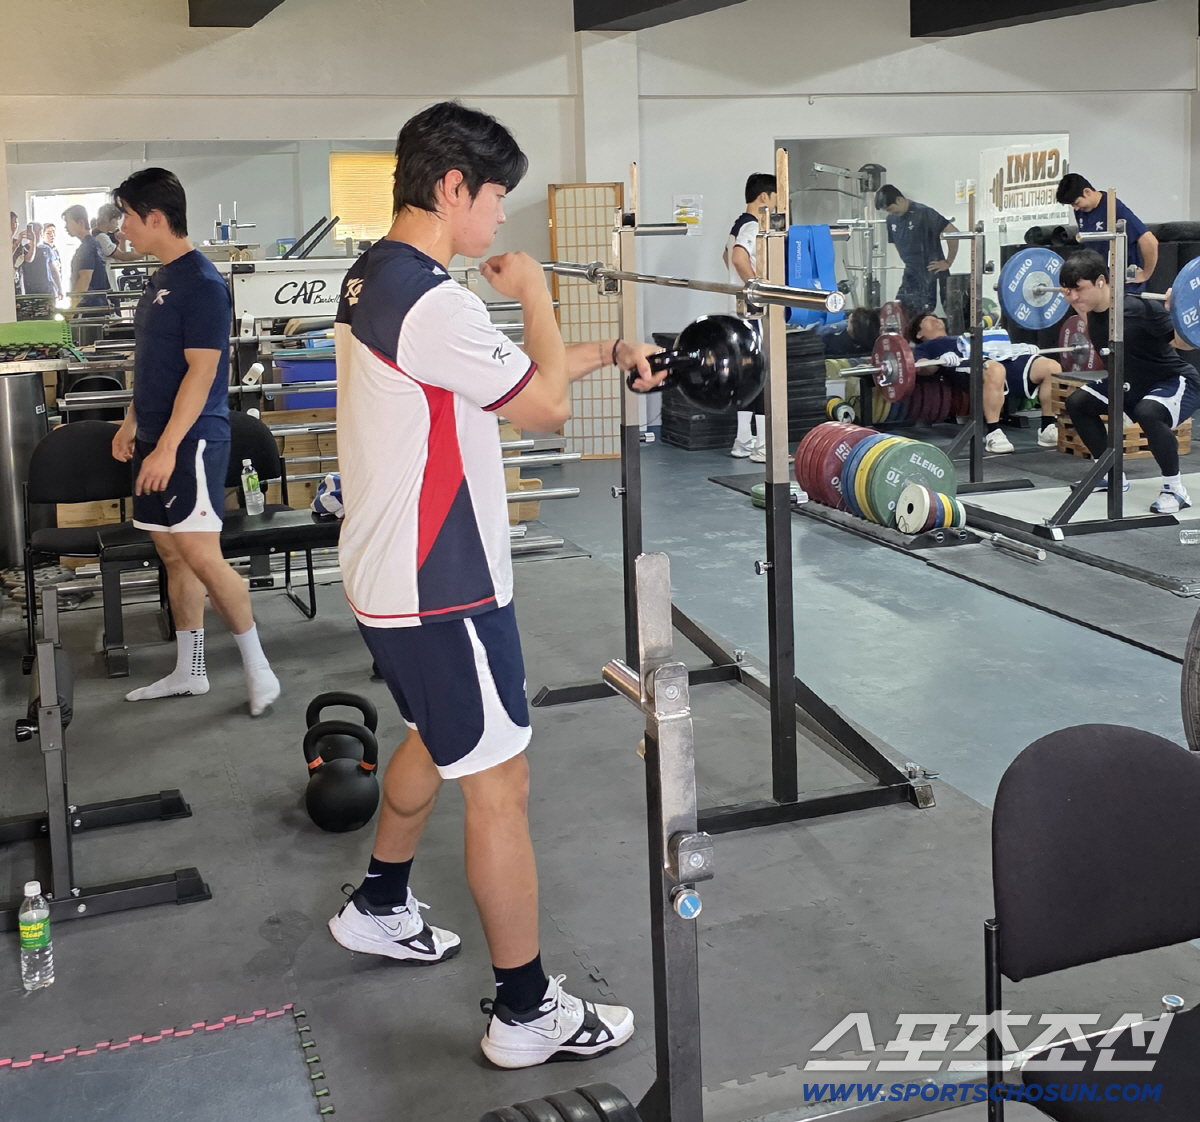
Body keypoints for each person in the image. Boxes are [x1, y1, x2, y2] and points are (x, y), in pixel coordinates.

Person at [328, 101, 665, 1070]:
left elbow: (491, 384)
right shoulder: (436, 298)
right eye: (496, 200)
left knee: (440, 739)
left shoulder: (374, 278)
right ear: (450, 189)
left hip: (396, 573)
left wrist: (611, 353)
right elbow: (547, 410)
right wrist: (540, 297)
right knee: (501, 785)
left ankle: (382, 904)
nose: (501, 223)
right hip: (444, 584)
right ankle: (526, 1014)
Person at [109, 167, 280, 715]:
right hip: (158, 436)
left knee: (203, 557)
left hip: (194, 442)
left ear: (155, 218)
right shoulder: (159, 280)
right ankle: (191, 669)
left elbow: (202, 374)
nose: (124, 229)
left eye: (128, 218)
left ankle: (260, 668)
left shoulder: (203, 284)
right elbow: (156, 367)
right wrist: (134, 423)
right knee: (172, 553)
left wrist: (167, 448)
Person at [1060, 249, 1199, 512]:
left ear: (1101, 281)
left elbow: (1185, 344)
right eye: (1067, 291)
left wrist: (1179, 311)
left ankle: (1175, 490)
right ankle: (1111, 473)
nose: (1073, 297)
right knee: (1078, 402)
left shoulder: (1141, 309)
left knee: (1148, 411)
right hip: (1129, 383)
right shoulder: (1089, 312)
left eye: (1078, 289)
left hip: (1172, 381)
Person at [907, 313, 1062, 452]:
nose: (934, 319)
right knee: (995, 369)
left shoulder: (963, 337)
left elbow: (995, 318)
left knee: (1052, 367)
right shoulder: (924, 347)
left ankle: (1047, 427)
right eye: (927, 319)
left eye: (935, 317)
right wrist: (939, 361)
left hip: (1001, 358)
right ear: (919, 333)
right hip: (968, 364)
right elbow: (922, 368)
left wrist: (1019, 349)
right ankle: (994, 433)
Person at [723, 172, 776, 461]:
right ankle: (763, 446)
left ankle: (744, 440)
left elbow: (726, 255)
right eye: (777, 198)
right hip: (753, 313)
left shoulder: (736, 225)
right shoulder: (754, 225)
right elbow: (738, 258)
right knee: (762, 376)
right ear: (764, 197)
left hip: (739, 312)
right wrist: (758, 290)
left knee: (748, 377)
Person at [1055, 174, 1158, 294]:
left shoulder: (1114, 208)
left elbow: (1150, 242)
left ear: (1087, 192)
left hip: (1124, 286)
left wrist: (1146, 274)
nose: (1076, 208)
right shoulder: (1080, 211)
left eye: (1077, 203)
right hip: (1101, 283)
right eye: (1073, 205)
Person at [875, 185, 958, 319]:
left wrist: (948, 262)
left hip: (932, 273)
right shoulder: (891, 220)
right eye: (887, 211)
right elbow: (896, 242)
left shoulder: (925, 213)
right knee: (899, 314)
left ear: (899, 200)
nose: (890, 213)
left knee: (929, 318)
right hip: (911, 274)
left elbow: (953, 233)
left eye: (891, 209)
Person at [62, 204, 111, 307]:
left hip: (89, 306)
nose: (66, 226)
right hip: (98, 304)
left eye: (68, 222)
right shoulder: (95, 244)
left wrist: (72, 308)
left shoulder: (87, 247)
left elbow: (85, 278)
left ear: (80, 223)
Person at [19, 223, 61, 298]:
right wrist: (33, 243)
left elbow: (54, 270)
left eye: (40, 232)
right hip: (31, 292)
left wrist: (59, 289)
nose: (38, 235)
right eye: (35, 233)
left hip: (48, 290)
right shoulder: (24, 249)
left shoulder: (46, 249)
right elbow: (28, 259)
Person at [42, 222, 64, 297]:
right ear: (43, 235)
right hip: (49, 287)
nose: (52, 235)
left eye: (53, 232)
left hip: (56, 286)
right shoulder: (43, 250)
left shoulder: (55, 250)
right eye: (48, 233)